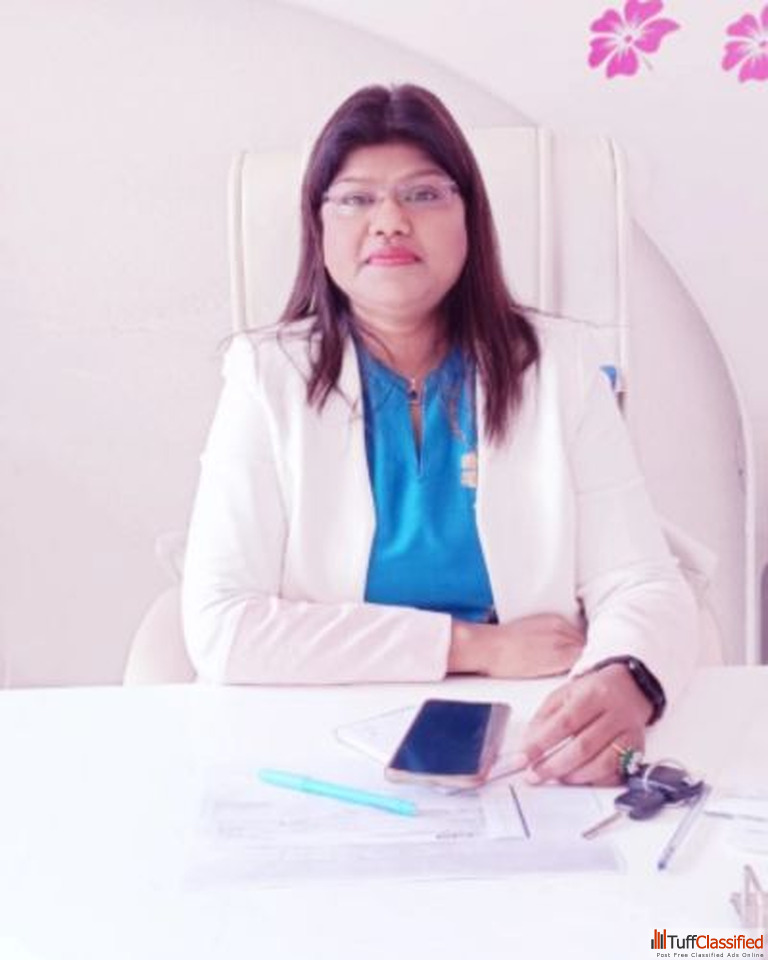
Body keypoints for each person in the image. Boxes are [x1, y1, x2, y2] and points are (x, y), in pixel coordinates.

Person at [181, 83, 698, 786]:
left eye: (423, 194)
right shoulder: (264, 377)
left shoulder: (561, 368)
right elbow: (223, 626)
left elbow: (641, 581)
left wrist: (627, 677)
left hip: (529, 725)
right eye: (355, 199)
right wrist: (471, 645)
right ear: (318, 227)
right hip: (317, 732)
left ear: (469, 218)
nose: (390, 222)